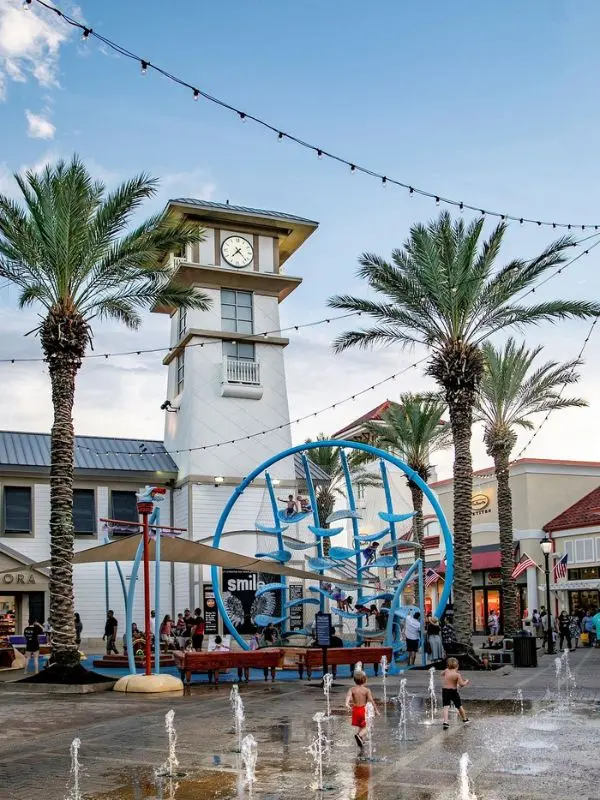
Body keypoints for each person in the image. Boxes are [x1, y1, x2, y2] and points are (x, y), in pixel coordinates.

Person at [345, 670, 379, 750]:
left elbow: (348, 697)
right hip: (363, 710)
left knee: (361, 726)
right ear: (365, 680)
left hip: (355, 710)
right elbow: (371, 700)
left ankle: (360, 740)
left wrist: (347, 704)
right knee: (367, 727)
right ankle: (359, 736)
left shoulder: (352, 689)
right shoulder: (366, 690)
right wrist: (376, 710)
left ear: (354, 680)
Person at [441, 657, 470, 730]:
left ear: (448, 665)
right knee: (459, 706)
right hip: (453, 691)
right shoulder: (457, 675)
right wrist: (466, 681)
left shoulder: (447, 670)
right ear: (457, 666)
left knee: (446, 707)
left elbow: (441, 674)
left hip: (445, 691)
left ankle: (445, 722)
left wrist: (446, 672)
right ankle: (465, 719)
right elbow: (461, 684)